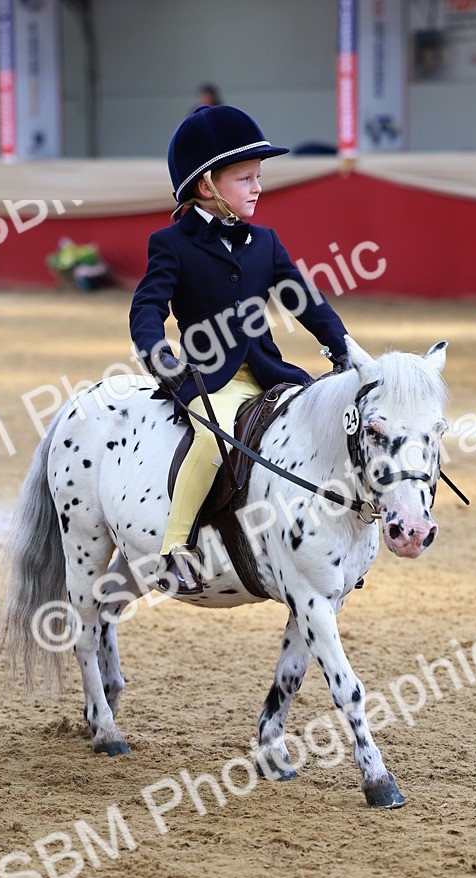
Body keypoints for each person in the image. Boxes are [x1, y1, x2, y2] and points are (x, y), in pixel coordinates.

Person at [130, 104, 350, 595]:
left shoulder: (265, 242)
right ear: (208, 185)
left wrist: (343, 346)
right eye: (246, 178)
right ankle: (173, 549)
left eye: (258, 177)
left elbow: (304, 301)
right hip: (208, 378)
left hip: (269, 371)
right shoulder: (171, 244)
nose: (257, 187)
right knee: (214, 442)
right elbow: (147, 307)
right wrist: (156, 352)